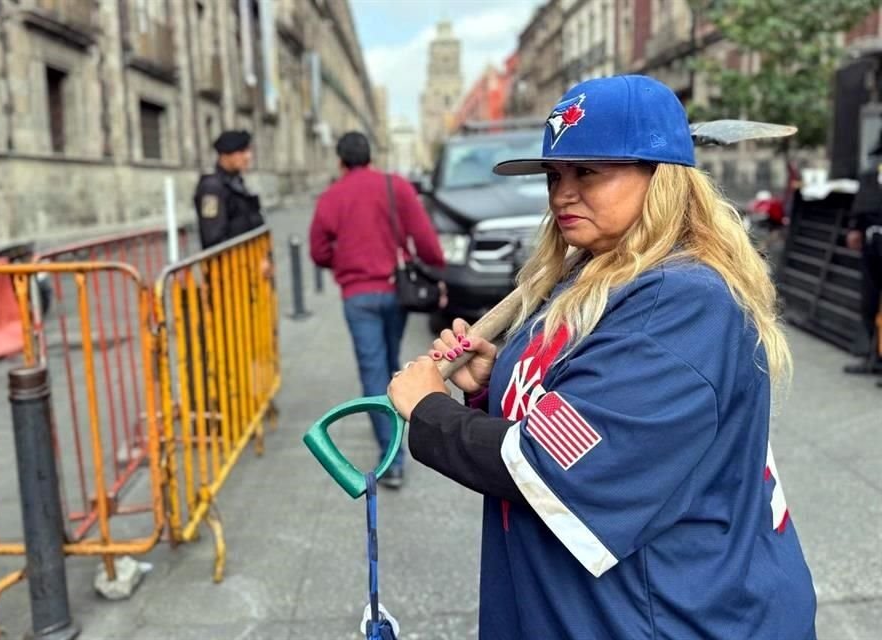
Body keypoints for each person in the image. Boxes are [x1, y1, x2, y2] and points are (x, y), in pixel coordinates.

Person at [388, 75, 817, 638]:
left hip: (665, 610)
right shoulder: (590, 270)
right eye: (555, 174)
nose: (562, 193)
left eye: (588, 171)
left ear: (660, 179)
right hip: (586, 602)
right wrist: (493, 386)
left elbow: (552, 462)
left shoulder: (682, 301)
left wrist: (429, 411)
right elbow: (581, 409)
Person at [310, 132, 445, 489]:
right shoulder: (394, 186)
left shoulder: (331, 197)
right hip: (394, 291)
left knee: (373, 372)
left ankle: (392, 460)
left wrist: (345, 259)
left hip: (358, 296)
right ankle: (402, 431)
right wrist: (438, 267)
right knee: (389, 363)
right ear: (371, 156)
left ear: (340, 162)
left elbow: (318, 251)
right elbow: (424, 236)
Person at [843, 143, 882, 378]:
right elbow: (861, 210)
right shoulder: (870, 177)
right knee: (869, 302)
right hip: (872, 245)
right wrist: (855, 229)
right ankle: (871, 356)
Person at [194, 130, 265, 249]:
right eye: (242, 151)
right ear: (225, 155)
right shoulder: (212, 188)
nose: (248, 156)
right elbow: (213, 238)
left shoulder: (236, 182)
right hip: (230, 264)